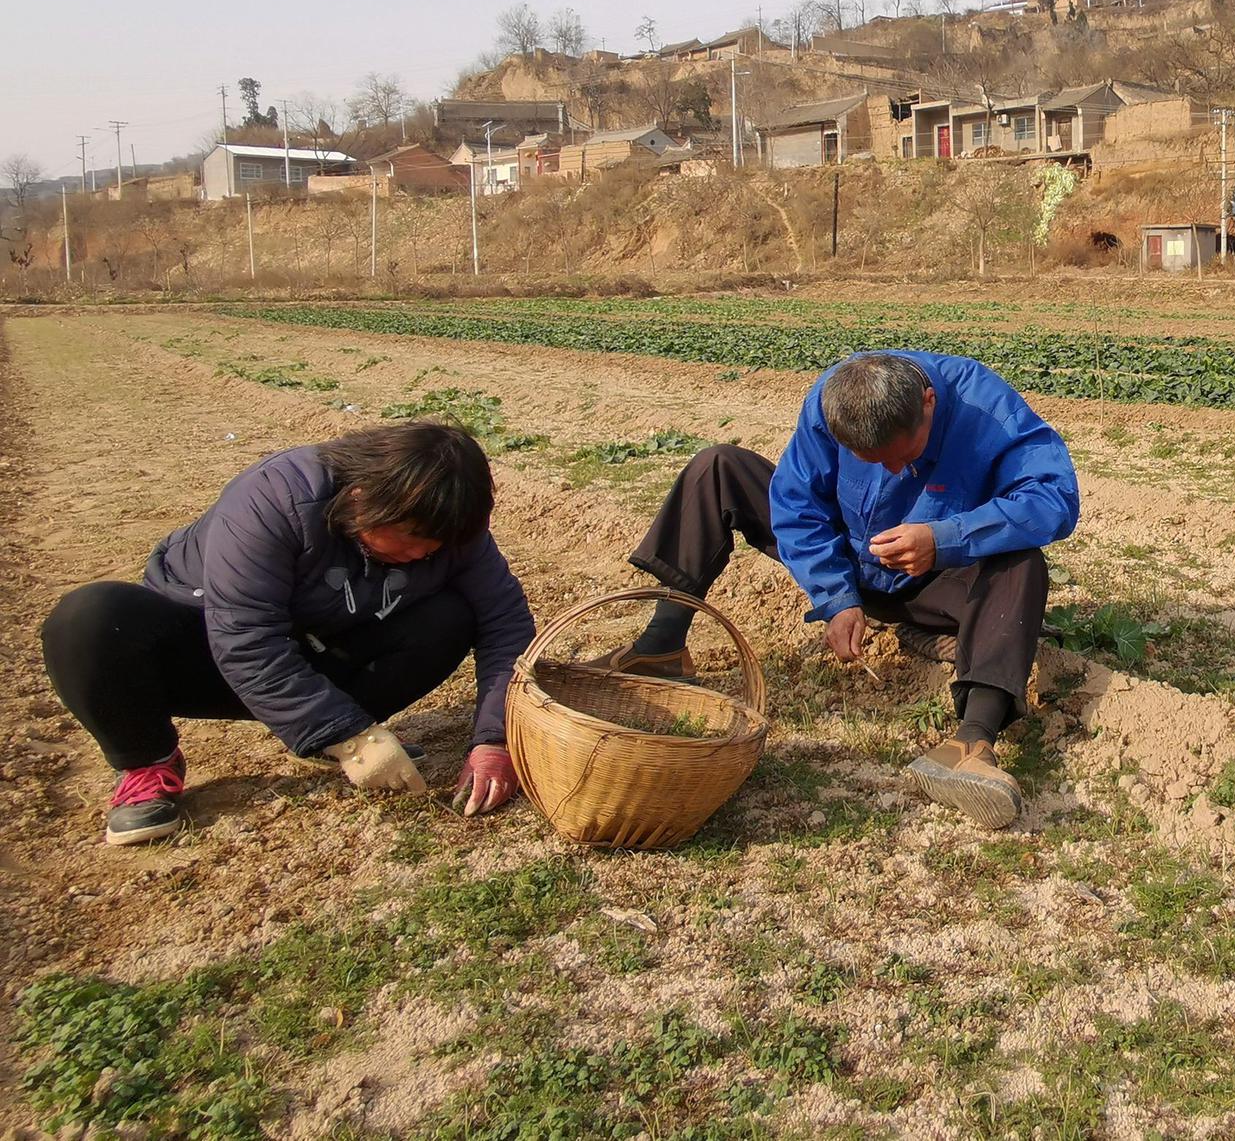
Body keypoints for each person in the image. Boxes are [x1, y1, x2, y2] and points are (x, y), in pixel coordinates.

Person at [598, 351, 1079, 830]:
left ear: (929, 403)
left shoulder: (985, 407)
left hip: (936, 578)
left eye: (905, 457)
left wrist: (945, 538)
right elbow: (796, 501)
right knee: (718, 466)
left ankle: (971, 743)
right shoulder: (834, 400)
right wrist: (837, 597)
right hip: (852, 561)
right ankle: (659, 647)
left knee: (1023, 561)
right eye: (873, 462)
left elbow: (1055, 498)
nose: (892, 472)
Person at [40, 422, 537, 846]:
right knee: (92, 618)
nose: (423, 555)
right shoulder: (274, 500)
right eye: (411, 540)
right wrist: (353, 742)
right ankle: (148, 762)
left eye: (438, 546)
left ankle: (336, 726)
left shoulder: (446, 523)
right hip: (210, 649)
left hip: (325, 643)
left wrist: (495, 739)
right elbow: (245, 639)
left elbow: (506, 622)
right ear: (362, 501)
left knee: (453, 614)